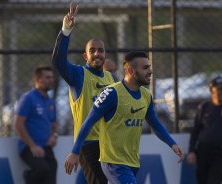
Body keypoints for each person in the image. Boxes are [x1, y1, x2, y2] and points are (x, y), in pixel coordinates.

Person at [64, 51, 184, 184]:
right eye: (145, 68)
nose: (150, 71)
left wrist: (172, 143)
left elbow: (155, 123)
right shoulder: (111, 93)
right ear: (131, 70)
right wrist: (75, 152)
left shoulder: (146, 96)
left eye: (149, 67)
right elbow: (88, 122)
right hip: (113, 163)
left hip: (132, 162)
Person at [51, 2, 115, 184]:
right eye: (92, 50)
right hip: (89, 145)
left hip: (109, 145)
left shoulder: (111, 78)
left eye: (101, 50)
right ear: (85, 56)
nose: (97, 54)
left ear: (105, 55)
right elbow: (58, 61)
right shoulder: (79, 75)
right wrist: (65, 31)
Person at [14, 66, 58, 184]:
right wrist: (32, 145)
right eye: (47, 77)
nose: (51, 80)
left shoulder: (51, 102)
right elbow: (18, 124)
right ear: (38, 80)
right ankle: (28, 177)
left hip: (46, 147)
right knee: (42, 169)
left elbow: (54, 124)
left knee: (52, 169)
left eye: (52, 77)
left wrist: (54, 135)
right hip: (29, 147)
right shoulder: (28, 98)